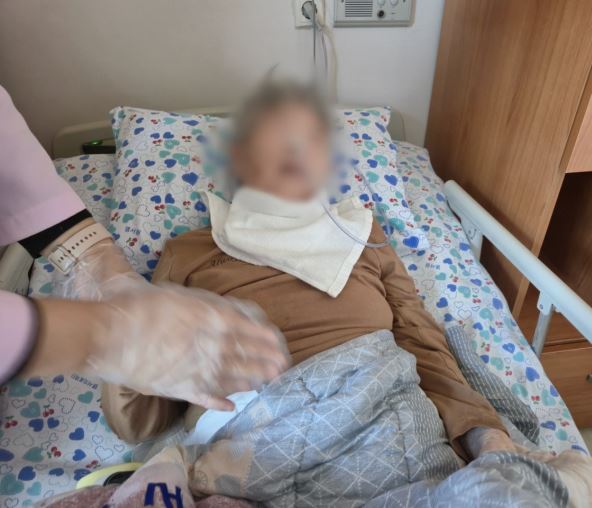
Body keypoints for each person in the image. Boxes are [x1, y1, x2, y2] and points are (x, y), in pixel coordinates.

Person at [101, 80, 515, 459]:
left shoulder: (362, 234)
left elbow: (419, 338)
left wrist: (483, 434)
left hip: (383, 411)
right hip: (253, 436)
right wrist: (128, 349)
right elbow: (141, 417)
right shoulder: (189, 252)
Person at [0, 85, 290, 410]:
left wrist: (94, 259)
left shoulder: (339, 234)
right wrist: (109, 336)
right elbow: (138, 403)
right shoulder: (194, 247)